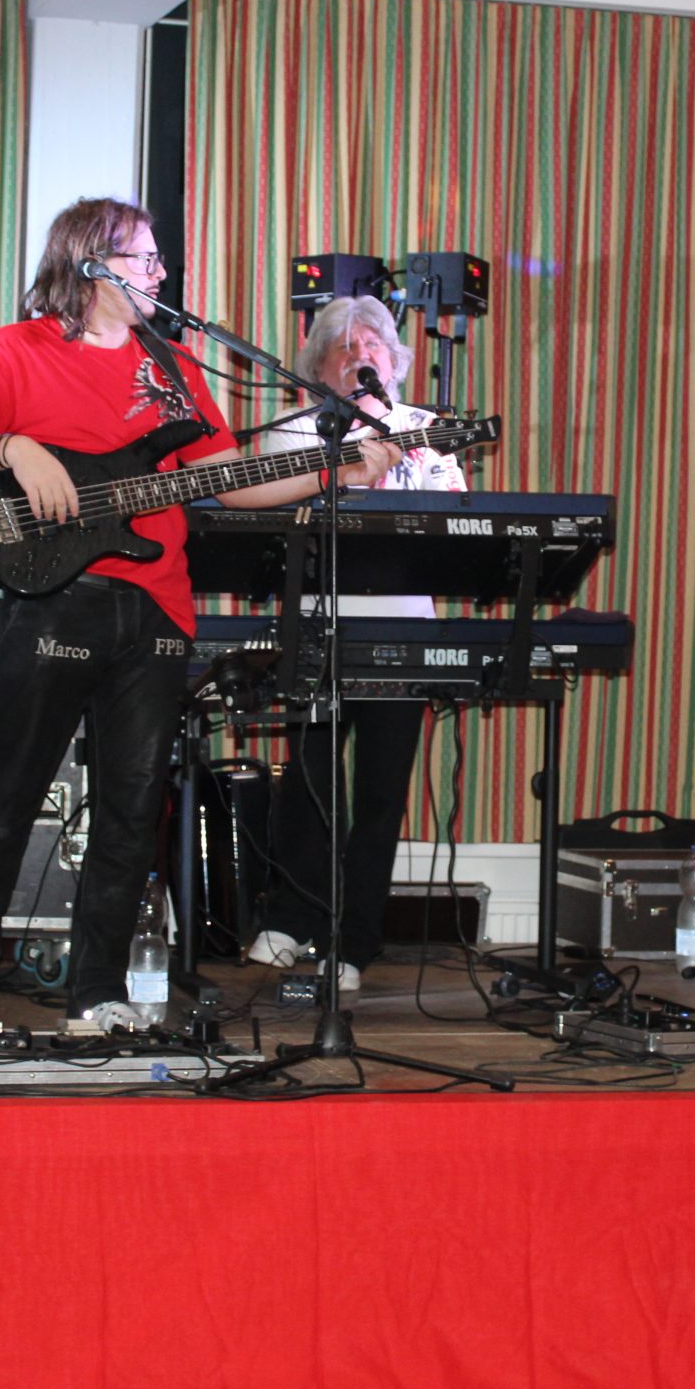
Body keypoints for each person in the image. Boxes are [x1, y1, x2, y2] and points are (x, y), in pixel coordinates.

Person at [0, 199, 398, 1035]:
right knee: (7, 796)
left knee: (133, 810)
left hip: (158, 609)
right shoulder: (15, 349)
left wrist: (341, 468)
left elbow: (231, 481)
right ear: (91, 264)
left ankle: (97, 993)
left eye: (158, 259)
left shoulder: (170, 366)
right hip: (53, 601)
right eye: (144, 258)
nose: (160, 272)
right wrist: (13, 449)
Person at [243, 295, 466, 992]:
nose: (359, 355)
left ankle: (355, 938)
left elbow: (455, 519)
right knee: (309, 778)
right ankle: (292, 918)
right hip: (316, 623)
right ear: (319, 368)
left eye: (372, 345)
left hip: (403, 630)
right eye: (344, 347)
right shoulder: (291, 432)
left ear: (393, 362)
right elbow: (277, 515)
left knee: (381, 792)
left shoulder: (424, 430)